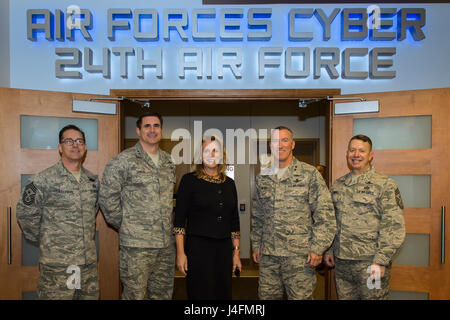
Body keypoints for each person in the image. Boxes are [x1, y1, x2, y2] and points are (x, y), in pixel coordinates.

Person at [251, 126, 336, 300]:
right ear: (270, 145)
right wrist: (256, 245)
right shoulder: (263, 177)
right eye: (275, 141)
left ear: (292, 144)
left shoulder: (309, 174)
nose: (280, 145)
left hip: (299, 258)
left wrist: (317, 248)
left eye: (285, 140)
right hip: (269, 258)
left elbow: (325, 214)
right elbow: (258, 216)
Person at [16, 125, 100, 300]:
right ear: (60, 147)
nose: (75, 145)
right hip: (57, 266)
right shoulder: (43, 180)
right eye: (68, 141)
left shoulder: (92, 180)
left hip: (87, 265)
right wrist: (49, 241)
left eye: (79, 141)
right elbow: (25, 215)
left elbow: (93, 212)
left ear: (84, 147)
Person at [99, 112, 176, 300]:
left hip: (165, 245)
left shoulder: (168, 161)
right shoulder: (123, 161)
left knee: (163, 295)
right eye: (147, 126)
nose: (152, 130)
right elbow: (107, 197)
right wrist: (126, 225)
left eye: (156, 126)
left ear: (161, 130)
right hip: (136, 247)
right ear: (138, 130)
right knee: (135, 296)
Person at [324, 134, 406, 300]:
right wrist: (330, 249)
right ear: (347, 153)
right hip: (342, 264)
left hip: (370, 264)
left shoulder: (384, 185)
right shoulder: (338, 185)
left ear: (370, 155)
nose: (356, 154)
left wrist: (381, 261)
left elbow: (393, 226)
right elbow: (331, 221)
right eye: (352, 150)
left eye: (362, 151)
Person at [173, 136, 241, 300]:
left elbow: (234, 221)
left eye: (215, 150)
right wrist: (180, 253)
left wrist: (236, 253)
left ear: (221, 155)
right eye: (206, 150)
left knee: (222, 293)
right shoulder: (189, 181)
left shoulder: (229, 184)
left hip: (223, 250)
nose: (211, 154)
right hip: (198, 249)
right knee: (200, 293)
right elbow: (179, 221)